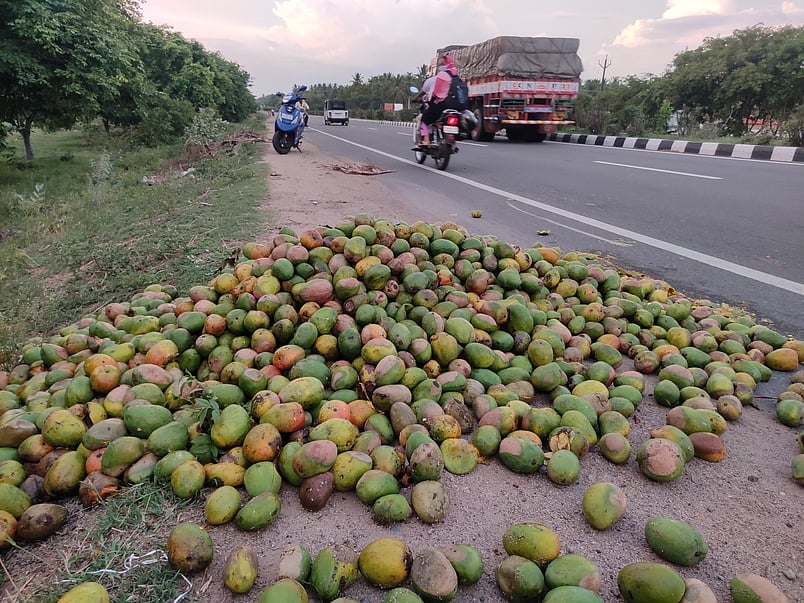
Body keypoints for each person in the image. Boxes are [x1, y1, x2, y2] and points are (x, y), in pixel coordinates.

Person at [419, 54, 464, 142]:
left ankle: (426, 140)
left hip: (439, 107)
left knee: (424, 120)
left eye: (442, 64)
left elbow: (423, 92)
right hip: (456, 107)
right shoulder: (457, 79)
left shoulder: (434, 79)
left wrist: (415, 99)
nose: (441, 66)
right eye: (440, 65)